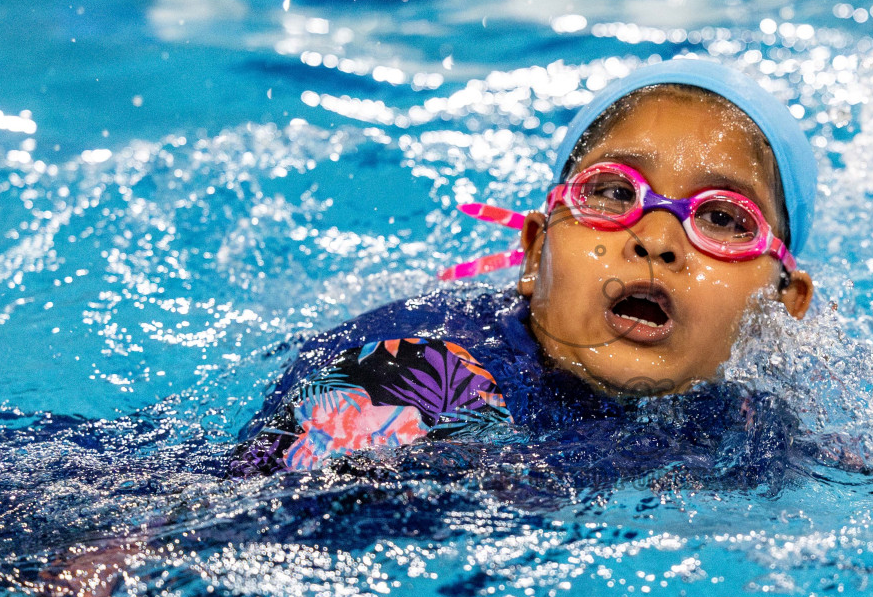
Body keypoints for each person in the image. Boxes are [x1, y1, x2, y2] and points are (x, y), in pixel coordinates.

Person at [230, 58, 819, 480]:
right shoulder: (424, 381)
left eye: (722, 218)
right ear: (536, 253)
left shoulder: (767, 413)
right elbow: (190, 527)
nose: (658, 239)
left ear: (782, 303)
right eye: (613, 193)